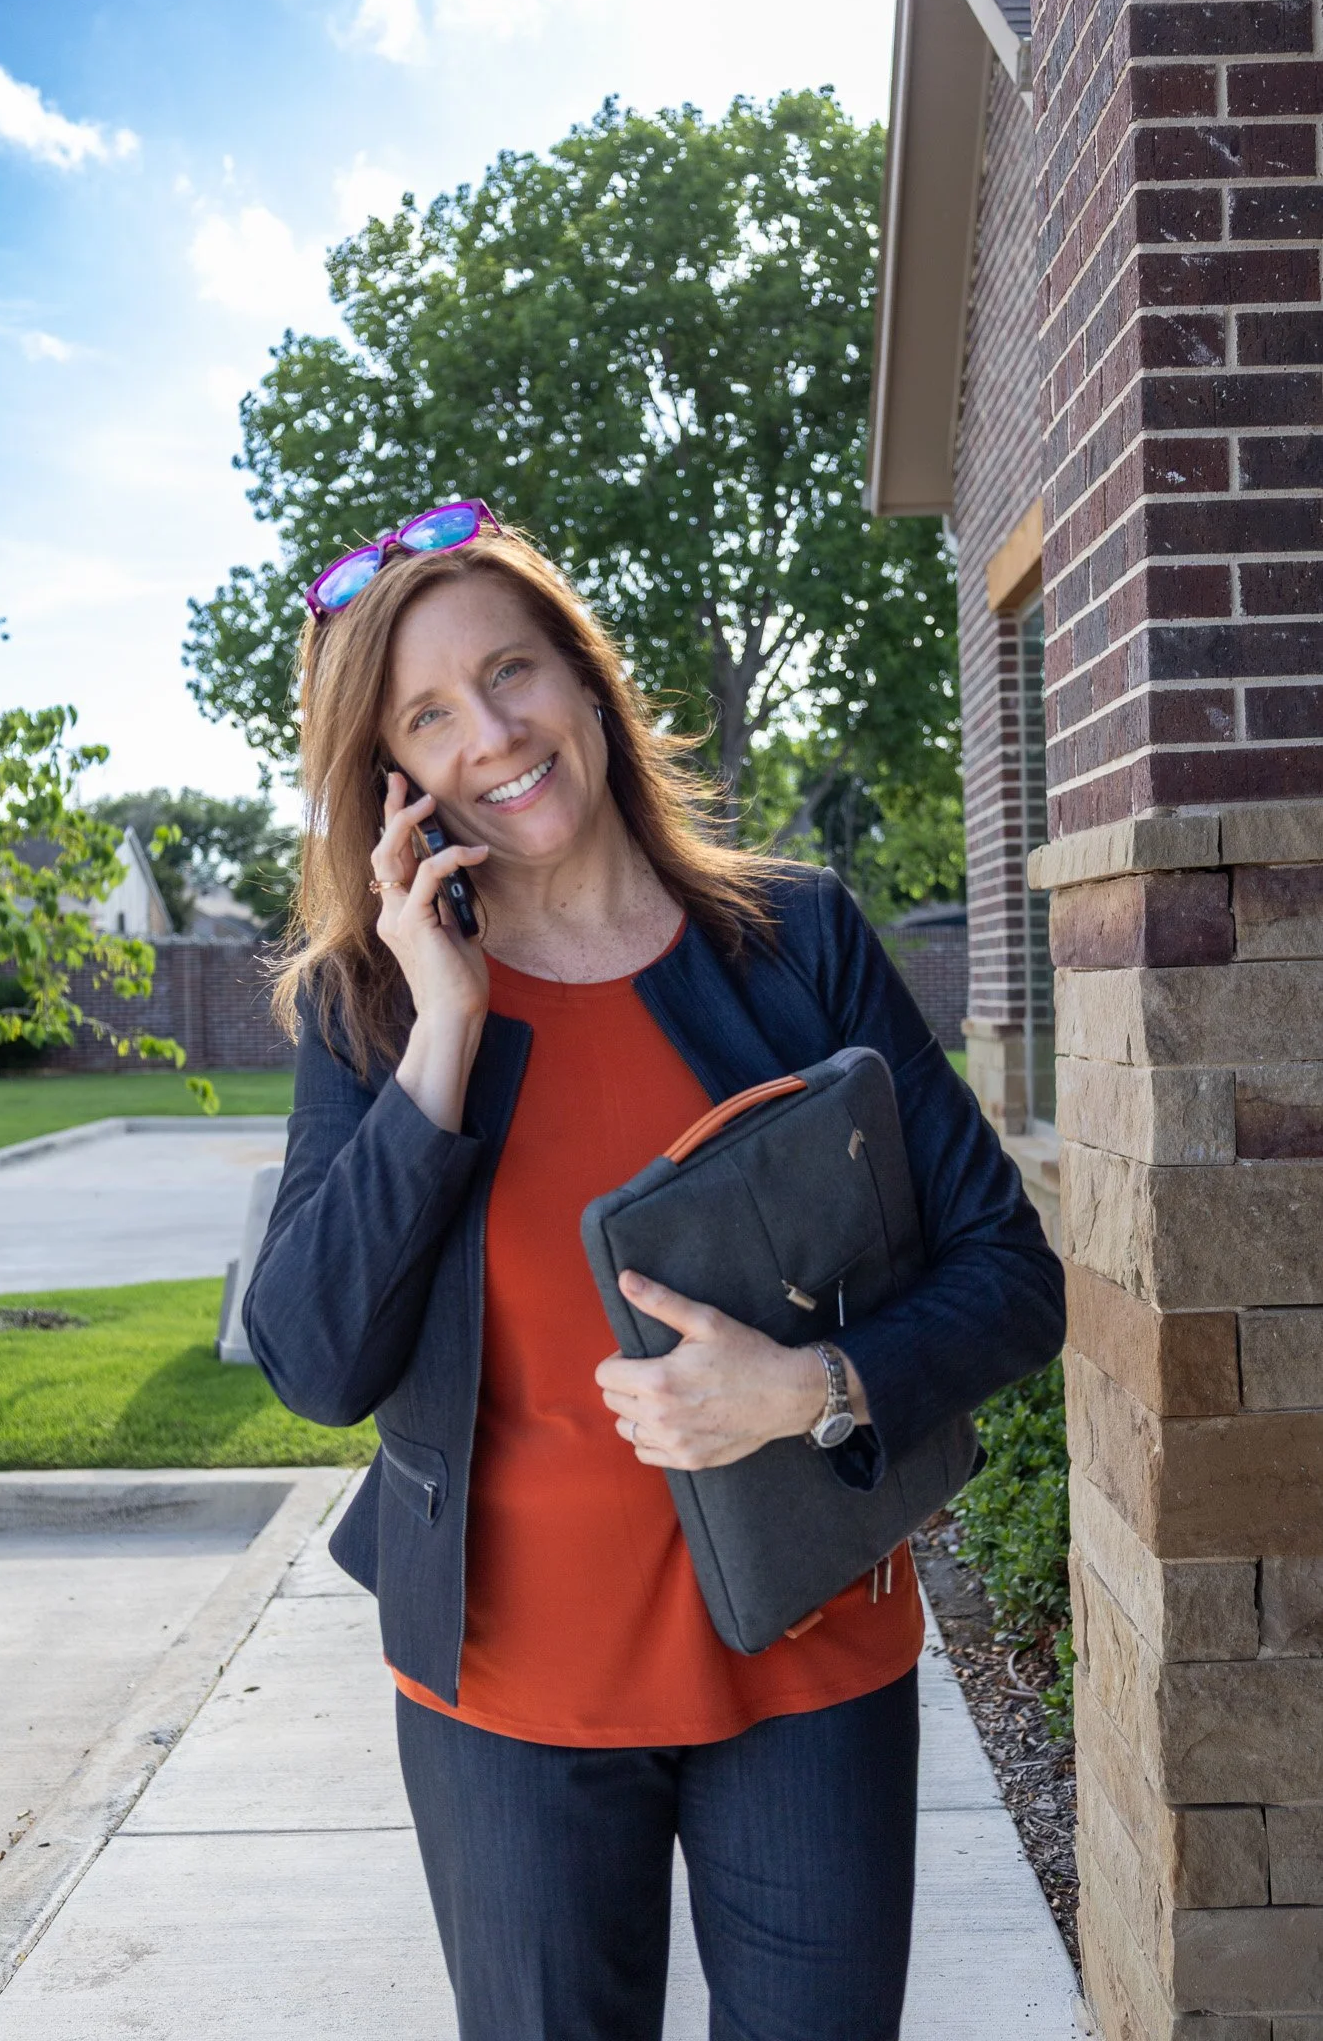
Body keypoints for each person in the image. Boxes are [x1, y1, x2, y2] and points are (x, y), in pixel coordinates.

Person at [244, 500, 1065, 2041]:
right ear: (393, 775)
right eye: (430, 713)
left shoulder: (799, 940)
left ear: (585, 675)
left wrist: (808, 1387)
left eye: (512, 672)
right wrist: (443, 1030)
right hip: (506, 1701)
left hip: (811, 1663)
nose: (493, 734)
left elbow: (1012, 1274)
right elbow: (312, 1362)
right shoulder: (371, 1012)